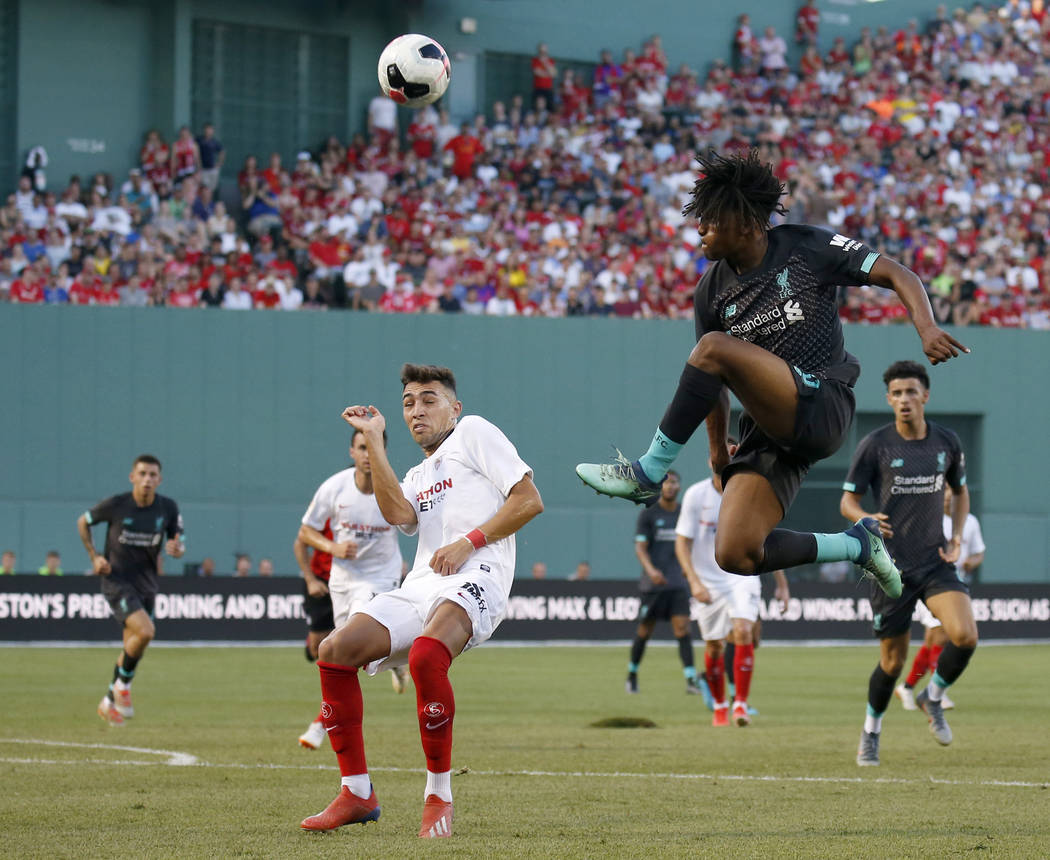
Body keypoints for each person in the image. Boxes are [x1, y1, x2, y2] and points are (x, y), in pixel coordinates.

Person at [576, 149, 969, 603]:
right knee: (736, 553)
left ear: (744, 223)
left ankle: (648, 472)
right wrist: (719, 455)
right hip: (770, 431)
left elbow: (896, 272)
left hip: (823, 404)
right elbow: (711, 384)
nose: (699, 229)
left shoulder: (806, 247)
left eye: (709, 219)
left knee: (713, 348)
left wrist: (925, 325)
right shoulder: (711, 291)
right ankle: (857, 545)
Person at [300, 364, 543, 838]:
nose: (417, 410)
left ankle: (439, 796)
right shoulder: (417, 472)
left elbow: (529, 499)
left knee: (427, 656)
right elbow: (398, 515)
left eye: (429, 399)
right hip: (422, 584)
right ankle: (356, 792)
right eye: (409, 402)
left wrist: (469, 541)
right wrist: (372, 436)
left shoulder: (473, 433)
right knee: (333, 652)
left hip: (479, 575)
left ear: (455, 408)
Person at [841, 360, 978, 766]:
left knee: (965, 636)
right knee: (892, 662)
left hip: (935, 562)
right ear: (888, 399)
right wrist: (861, 517)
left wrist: (956, 537)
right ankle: (871, 731)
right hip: (890, 570)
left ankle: (931, 696)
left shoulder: (946, 442)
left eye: (911, 392)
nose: (904, 399)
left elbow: (962, 492)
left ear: (925, 396)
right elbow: (847, 500)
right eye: (897, 393)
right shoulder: (875, 445)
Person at [293, 428, 408, 751]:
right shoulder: (335, 487)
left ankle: (320, 724)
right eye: (362, 447)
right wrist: (332, 547)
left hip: (379, 580)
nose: (368, 454)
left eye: (374, 447)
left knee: (346, 652)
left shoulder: (397, 488)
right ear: (352, 452)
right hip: (342, 581)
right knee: (338, 653)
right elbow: (305, 531)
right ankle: (397, 659)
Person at [676, 451, 789, 726]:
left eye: (735, 453)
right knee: (714, 647)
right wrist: (693, 581)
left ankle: (740, 704)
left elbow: (766, 541)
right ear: (710, 461)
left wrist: (782, 585)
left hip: (742, 575)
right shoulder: (695, 495)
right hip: (708, 581)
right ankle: (719, 705)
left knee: (743, 630)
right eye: (722, 455)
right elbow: (682, 543)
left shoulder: (752, 493)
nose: (728, 459)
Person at [76, 454, 184, 726]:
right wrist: (94, 556)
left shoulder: (167, 507)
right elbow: (83, 521)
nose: (147, 480)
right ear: (132, 477)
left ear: (159, 480)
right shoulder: (117, 505)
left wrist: (177, 547)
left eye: (152, 475)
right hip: (118, 581)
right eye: (142, 474)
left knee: (133, 646)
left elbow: (177, 537)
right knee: (146, 631)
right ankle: (123, 689)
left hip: (147, 583)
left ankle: (108, 701)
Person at [895, 487, 986, 713]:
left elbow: (978, 553)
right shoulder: (929, 518)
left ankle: (908, 686)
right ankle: (937, 694)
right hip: (933, 586)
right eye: (943, 490)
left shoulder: (970, 522)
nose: (947, 495)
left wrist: (970, 563)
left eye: (951, 490)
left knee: (932, 643)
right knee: (942, 637)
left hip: (957, 587)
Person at [625, 471, 707, 700]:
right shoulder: (649, 514)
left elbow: (692, 543)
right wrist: (651, 571)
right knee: (644, 631)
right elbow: (640, 548)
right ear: (660, 487)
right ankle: (632, 674)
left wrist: (690, 569)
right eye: (666, 483)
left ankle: (691, 679)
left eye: (674, 482)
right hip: (653, 585)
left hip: (678, 584)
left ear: (680, 487)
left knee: (683, 630)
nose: (670, 487)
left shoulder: (684, 513)